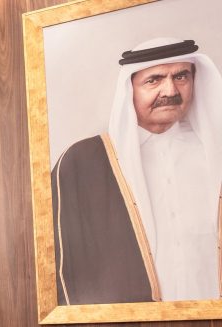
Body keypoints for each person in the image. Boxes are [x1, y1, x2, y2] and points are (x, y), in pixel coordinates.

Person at [52, 37, 222, 304]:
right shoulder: (83, 163)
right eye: (153, 80)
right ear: (129, 88)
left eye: (181, 76)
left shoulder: (215, 153)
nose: (170, 90)